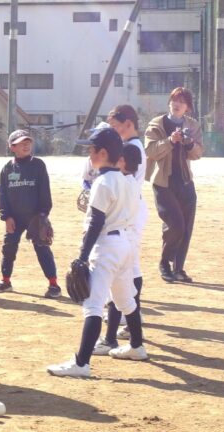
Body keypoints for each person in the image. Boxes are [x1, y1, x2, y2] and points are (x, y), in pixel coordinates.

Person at [47, 128, 147, 378]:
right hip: (125, 245)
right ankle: (137, 346)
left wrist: (82, 255)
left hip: (106, 247)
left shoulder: (103, 182)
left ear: (103, 153)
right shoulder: (128, 181)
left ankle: (81, 363)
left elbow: (95, 223)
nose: (89, 156)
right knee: (126, 300)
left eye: (91, 151)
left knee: (93, 304)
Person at [0, 129, 61, 299]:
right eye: (21, 143)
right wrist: (6, 217)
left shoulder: (38, 165)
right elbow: (2, 194)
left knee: (42, 248)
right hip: (14, 217)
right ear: (12, 146)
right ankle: (6, 281)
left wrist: (43, 214)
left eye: (28, 142)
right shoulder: (7, 168)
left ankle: (53, 284)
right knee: (9, 248)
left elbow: (45, 191)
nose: (26, 145)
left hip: (35, 217)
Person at [144, 87, 203, 283]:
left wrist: (188, 143)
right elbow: (151, 151)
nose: (177, 104)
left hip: (185, 182)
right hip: (163, 182)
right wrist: (170, 141)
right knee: (175, 224)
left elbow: (198, 153)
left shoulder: (192, 125)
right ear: (169, 102)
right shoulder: (157, 124)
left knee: (186, 227)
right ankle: (164, 262)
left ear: (187, 107)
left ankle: (178, 269)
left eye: (182, 101)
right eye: (174, 100)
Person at [93, 144, 145, 354]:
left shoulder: (121, 183)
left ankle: (109, 340)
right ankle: (128, 342)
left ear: (122, 161)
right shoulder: (130, 183)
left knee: (115, 295)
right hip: (127, 242)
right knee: (122, 295)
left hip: (121, 242)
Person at [107, 105, 148, 340]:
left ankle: (134, 315)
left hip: (131, 209)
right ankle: (131, 314)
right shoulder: (132, 145)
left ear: (128, 123)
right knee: (130, 265)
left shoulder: (131, 147)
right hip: (132, 206)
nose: (114, 131)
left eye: (116, 126)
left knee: (131, 267)